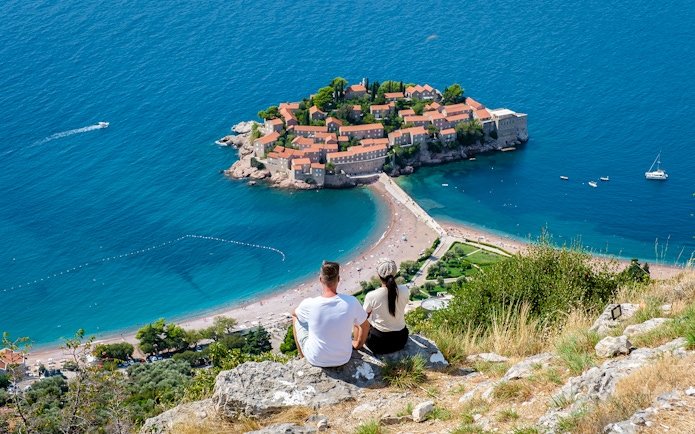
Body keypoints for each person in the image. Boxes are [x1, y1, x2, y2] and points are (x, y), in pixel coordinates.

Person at [292, 261, 370, 367]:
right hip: (344, 357)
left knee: (295, 318)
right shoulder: (351, 302)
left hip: (316, 359)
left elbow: (294, 312)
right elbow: (365, 326)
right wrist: (357, 344)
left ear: (320, 279)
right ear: (338, 279)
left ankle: (303, 359)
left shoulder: (310, 304)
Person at [363, 258, 410, 354]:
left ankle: (356, 344)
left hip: (379, 344)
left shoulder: (372, 296)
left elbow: (363, 317)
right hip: (401, 340)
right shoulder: (405, 290)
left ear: (378, 276)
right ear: (395, 274)